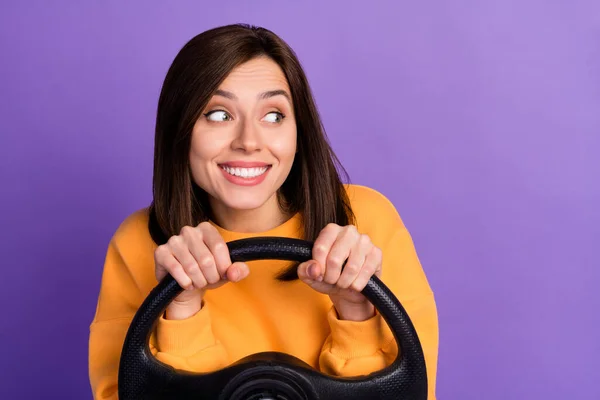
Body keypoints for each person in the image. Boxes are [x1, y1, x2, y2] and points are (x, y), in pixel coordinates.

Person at [88, 23, 439, 399]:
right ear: (181, 128)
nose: (249, 142)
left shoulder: (366, 222)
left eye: (273, 116)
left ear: (298, 131)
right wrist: (182, 310)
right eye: (219, 114)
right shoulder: (138, 244)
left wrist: (356, 312)